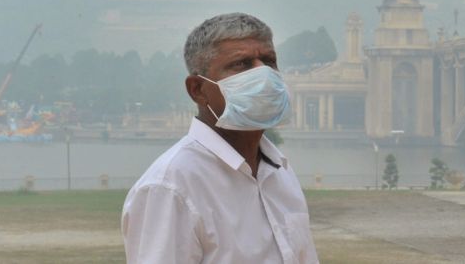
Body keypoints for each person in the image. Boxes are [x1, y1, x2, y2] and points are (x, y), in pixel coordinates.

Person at [122, 13, 318, 264]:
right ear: (198, 90)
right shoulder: (171, 187)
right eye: (242, 64)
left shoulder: (279, 171)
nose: (264, 75)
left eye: (269, 61)